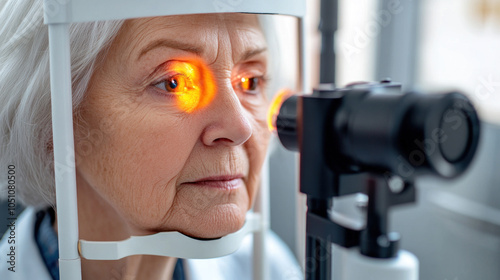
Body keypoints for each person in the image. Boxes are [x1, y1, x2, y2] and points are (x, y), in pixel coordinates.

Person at [0, 1, 302, 279]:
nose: (241, 128)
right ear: (52, 120)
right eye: (173, 83)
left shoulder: (266, 266)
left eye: (250, 82)